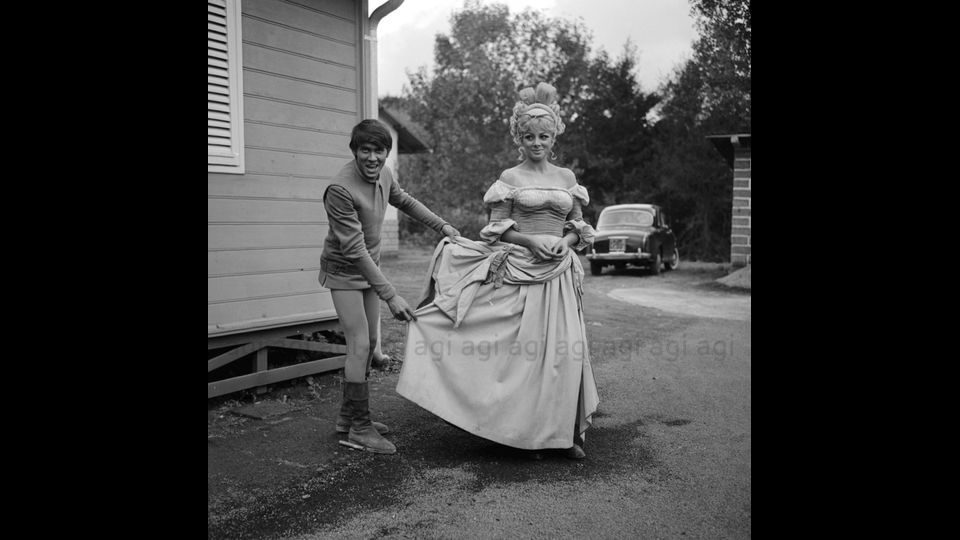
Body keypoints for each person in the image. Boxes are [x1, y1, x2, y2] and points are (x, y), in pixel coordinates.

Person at [396, 82, 599, 459]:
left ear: (554, 137)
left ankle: (563, 435)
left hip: (559, 277)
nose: (536, 142)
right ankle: (528, 436)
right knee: (525, 358)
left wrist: (565, 243)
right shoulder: (510, 178)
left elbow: (578, 224)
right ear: (518, 139)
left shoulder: (567, 178)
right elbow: (497, 225)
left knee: (562, 356)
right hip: (522, 271)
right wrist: (531, 242)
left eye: (543, 136)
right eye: (528, 136)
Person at [319, 119, 459, 454]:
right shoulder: (339, 190)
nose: (372, 158)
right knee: (359, 345)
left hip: (368, 269)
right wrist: (392, 295)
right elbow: (353, 250)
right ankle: (360, 430)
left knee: (369, 341)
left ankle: (348, 417)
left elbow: (404, 200)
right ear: (354, 151)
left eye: (378, 151)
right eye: (364, 150)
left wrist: (442, 226)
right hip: (343, 270)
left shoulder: (383, 174)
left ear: (386, 153)